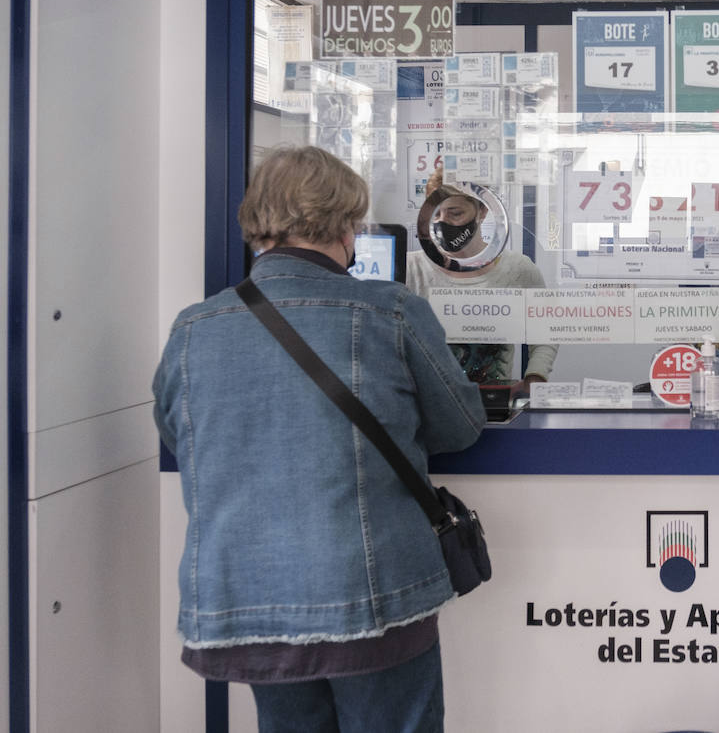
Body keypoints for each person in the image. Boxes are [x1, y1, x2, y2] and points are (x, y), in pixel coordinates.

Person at [154, 146, 486, 733]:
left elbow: (182, 440)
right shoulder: (390, 312)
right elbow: (459, 427)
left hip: (254, 594)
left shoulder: (192, 328)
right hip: (372, 593)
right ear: (345, 227)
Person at [407, 172, 556, 396]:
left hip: (493, 403)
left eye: (455, 213)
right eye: (436, 214)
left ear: (483, 211)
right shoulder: (411, 268)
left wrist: (534, 379)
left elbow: (545, 333)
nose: (442, 222)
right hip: (426, 406)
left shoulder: (517, 269)